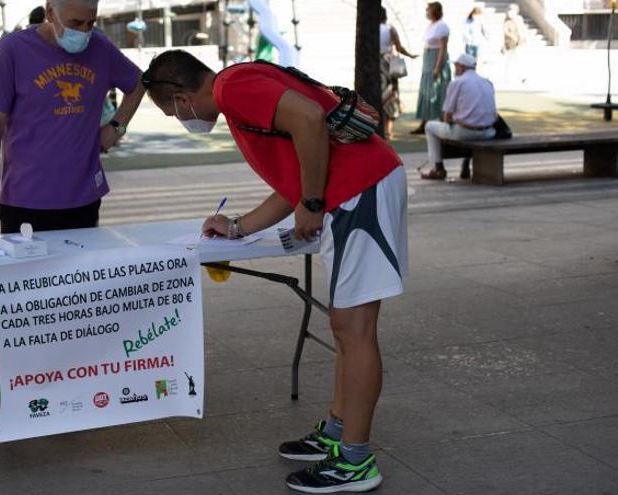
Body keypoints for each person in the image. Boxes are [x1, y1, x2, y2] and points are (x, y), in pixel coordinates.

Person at [142, 50, 408, 494]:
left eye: (171, 110)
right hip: (356, 191)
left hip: (361, 191)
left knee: (354, 327)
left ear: (183, 97)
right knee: (345, 325)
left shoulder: (233, 88)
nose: (177, 118)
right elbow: (298, 174)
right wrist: (238, 226)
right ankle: (340, 432)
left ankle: (356, 460)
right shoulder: (239, 89)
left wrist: (313, 202)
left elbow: (308, 120)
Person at [0, 0, 145, 237]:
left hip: (83, 198)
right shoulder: (14, 49)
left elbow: (139, 82)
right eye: (75, 23)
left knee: (80, 273)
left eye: (91, 23)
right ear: (50, 12)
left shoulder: (100, 47)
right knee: (26, 275)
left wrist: (116, 128)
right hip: (24, 200)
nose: (83, 31)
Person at [419, 53, 497, 180]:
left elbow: (447, 116)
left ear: (462, 67)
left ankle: (438, 168)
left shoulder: (457, 83)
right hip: (489, 132)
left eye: (456, 66)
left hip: (465, 132)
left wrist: (450, 122)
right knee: (471, 123)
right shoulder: (487, 82)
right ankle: (466, 163)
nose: (455, 68)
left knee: (430, 126)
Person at [412, 2, 451, 135]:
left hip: (435, 61)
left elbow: (443, 49)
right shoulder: (431, 25)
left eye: (428, 10)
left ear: (434, 11)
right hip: (428, 60)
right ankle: (424, 123)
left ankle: (444, 121)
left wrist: (437, 67)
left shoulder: (442, 26)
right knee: (426, 91)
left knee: (438, 92)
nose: (426, 12)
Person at [380, 7, 417, 140]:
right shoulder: (390, 29)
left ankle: (378, 129)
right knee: (391, 96)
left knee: (377, 96)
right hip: (389, 65)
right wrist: (410, 55)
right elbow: (399, 47)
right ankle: (388, 131)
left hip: (375, 65)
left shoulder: (371, 29)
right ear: (385, 16)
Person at [502, 4, 527, 86]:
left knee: (520, 60)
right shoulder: (507, 20)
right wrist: (513, 38)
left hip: (519, 43)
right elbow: (506, 32)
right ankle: (507, 78)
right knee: (509, 60)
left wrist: (522, 38)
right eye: (510, 9)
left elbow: (522, 30)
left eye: (512, 9)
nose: (510, 11)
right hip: (511, 43)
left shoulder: (519, 19)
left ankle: (522, 77)